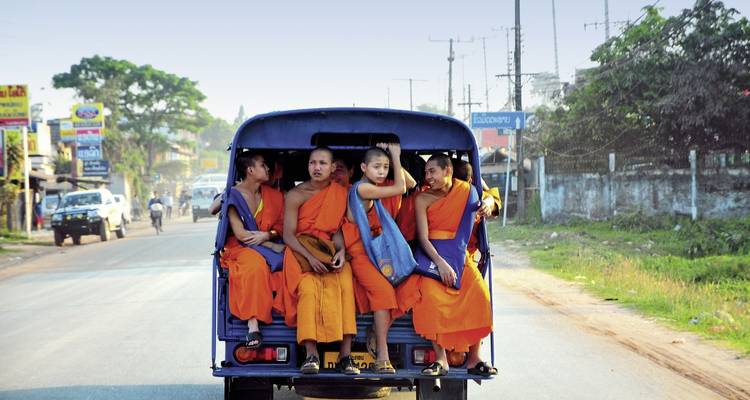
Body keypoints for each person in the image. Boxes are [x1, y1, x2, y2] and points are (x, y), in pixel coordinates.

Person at [395, 154, 497, 377]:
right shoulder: (422, 198)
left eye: (432, 171)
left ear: (448, 171)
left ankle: (474, 357)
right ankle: (441, 358)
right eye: (426, 172)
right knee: (430, 295)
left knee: (479, 292)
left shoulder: (467, 191)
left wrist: (489, 203)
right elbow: (422, 238)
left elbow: (489, 198)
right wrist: (440, 264)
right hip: (432, 256)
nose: (427, 176)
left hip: (460, 256)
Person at [273, 146, 359, 375]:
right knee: (309, 290)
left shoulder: (340, 193)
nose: (317, 167)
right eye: (313, 163)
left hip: (328, 249)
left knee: (344, 285)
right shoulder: (295, 195)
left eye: (322, 163)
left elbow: (337, 229)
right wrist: (309, 258)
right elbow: (288, 234)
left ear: (332, 168)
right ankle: (311, 354)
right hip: (300, 251)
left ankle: (346, 355)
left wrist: (341, 251)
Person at [342, 144, 409, 374]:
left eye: (386, 168)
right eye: (377, 167)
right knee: (384, 293)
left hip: (374, 253)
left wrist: (392, 161)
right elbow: (401, 188)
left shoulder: (372, 186)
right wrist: (395, 156)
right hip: (360, 254)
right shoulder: (363, 189)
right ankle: (382, 354)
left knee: (400, 289)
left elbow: (408, 184)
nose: (382, 172)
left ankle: (375, 333)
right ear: (363, 167)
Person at [219, 151, 285, 348]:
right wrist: (269, 244)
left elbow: (280, 227)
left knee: (292, 261)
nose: (267, 169)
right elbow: (241, 235)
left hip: (263, 243)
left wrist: (268, 235)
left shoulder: (274, 197)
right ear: (250, 170)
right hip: (240, 248)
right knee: (255, 265)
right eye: (263, 165)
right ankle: (253, 325)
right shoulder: (234, 195)